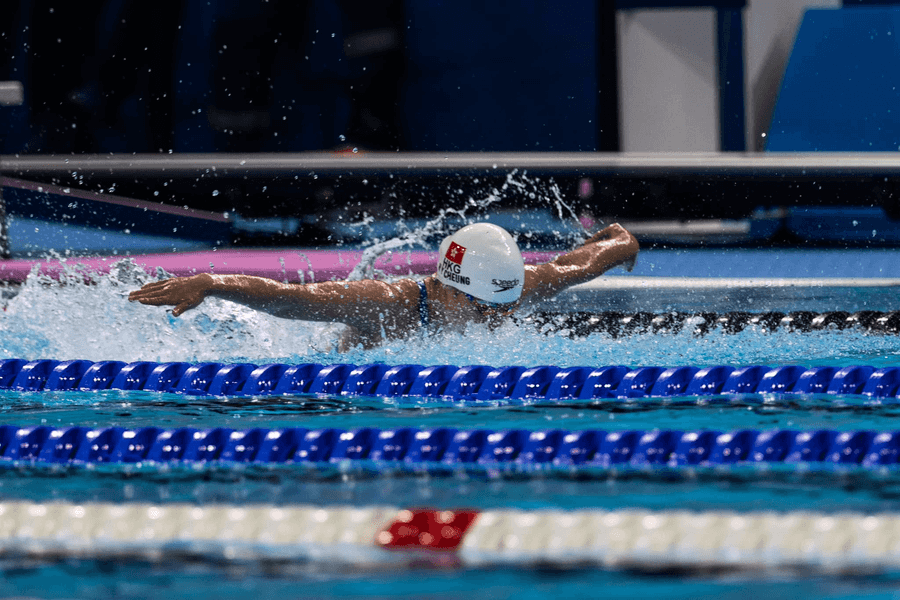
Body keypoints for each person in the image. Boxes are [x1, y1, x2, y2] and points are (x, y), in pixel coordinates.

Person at [129, 222, 638, 350]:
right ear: (450, 287)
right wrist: (212, 282)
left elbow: (578, 264)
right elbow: (291, 299)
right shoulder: (384, 303)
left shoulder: (508, 288)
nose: (498, 318)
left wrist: (620, 243)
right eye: (486, 307)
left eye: (504, 306)